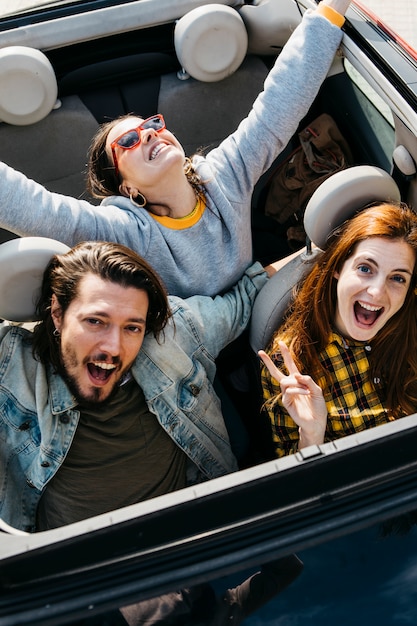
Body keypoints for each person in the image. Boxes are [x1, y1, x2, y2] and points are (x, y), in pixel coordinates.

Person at [0, 240, 302, 624]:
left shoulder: (172, 339)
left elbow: (248, 294)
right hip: (73, 590)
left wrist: (335, 232)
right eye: (95, 321)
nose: (113, 346)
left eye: (132, 327)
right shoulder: (11, 365)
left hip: (182, 570)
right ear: (57, 315)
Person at [0, 0, 351, 298]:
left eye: (152, 125)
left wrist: (332, 9)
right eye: (127, 141)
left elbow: (279, 105)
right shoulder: (118, 231)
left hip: (260, 324)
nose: (149, 135)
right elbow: (34, 207)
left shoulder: (225, 174)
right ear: (127, 188)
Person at [259, 203, 417, 458]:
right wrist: (312, 434)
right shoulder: (292, 360)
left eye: (398, 278)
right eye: (365, 269)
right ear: (337, 268)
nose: (377, 292)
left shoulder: (410, 324)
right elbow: (296, 484)